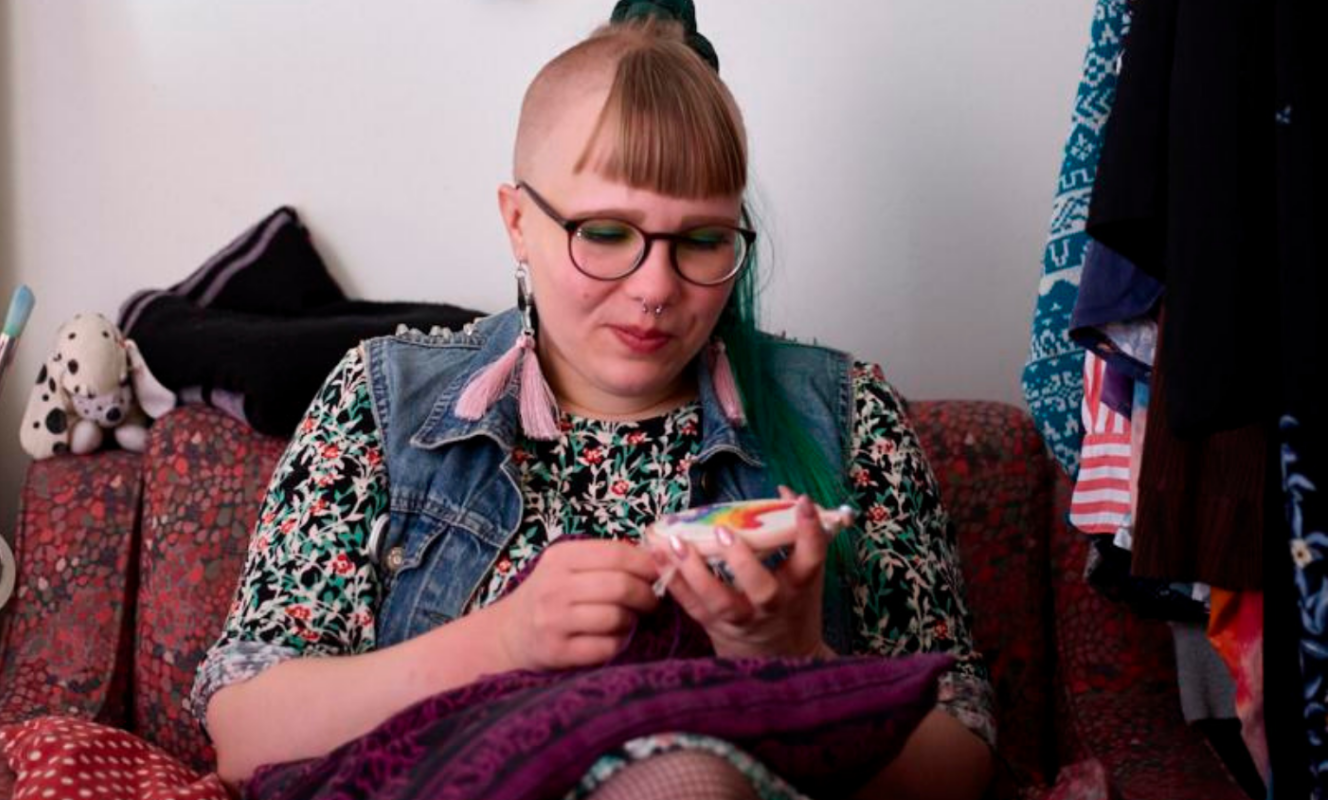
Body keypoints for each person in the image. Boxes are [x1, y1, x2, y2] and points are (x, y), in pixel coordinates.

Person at [193, 7, 995, 799]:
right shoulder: (383, 403)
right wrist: (504, 639)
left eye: (703, 240)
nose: (655, 289)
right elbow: (245, 733)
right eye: (607, 233)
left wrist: (794, 660)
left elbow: (962, 763)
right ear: (517, 222)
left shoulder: (849, 416)